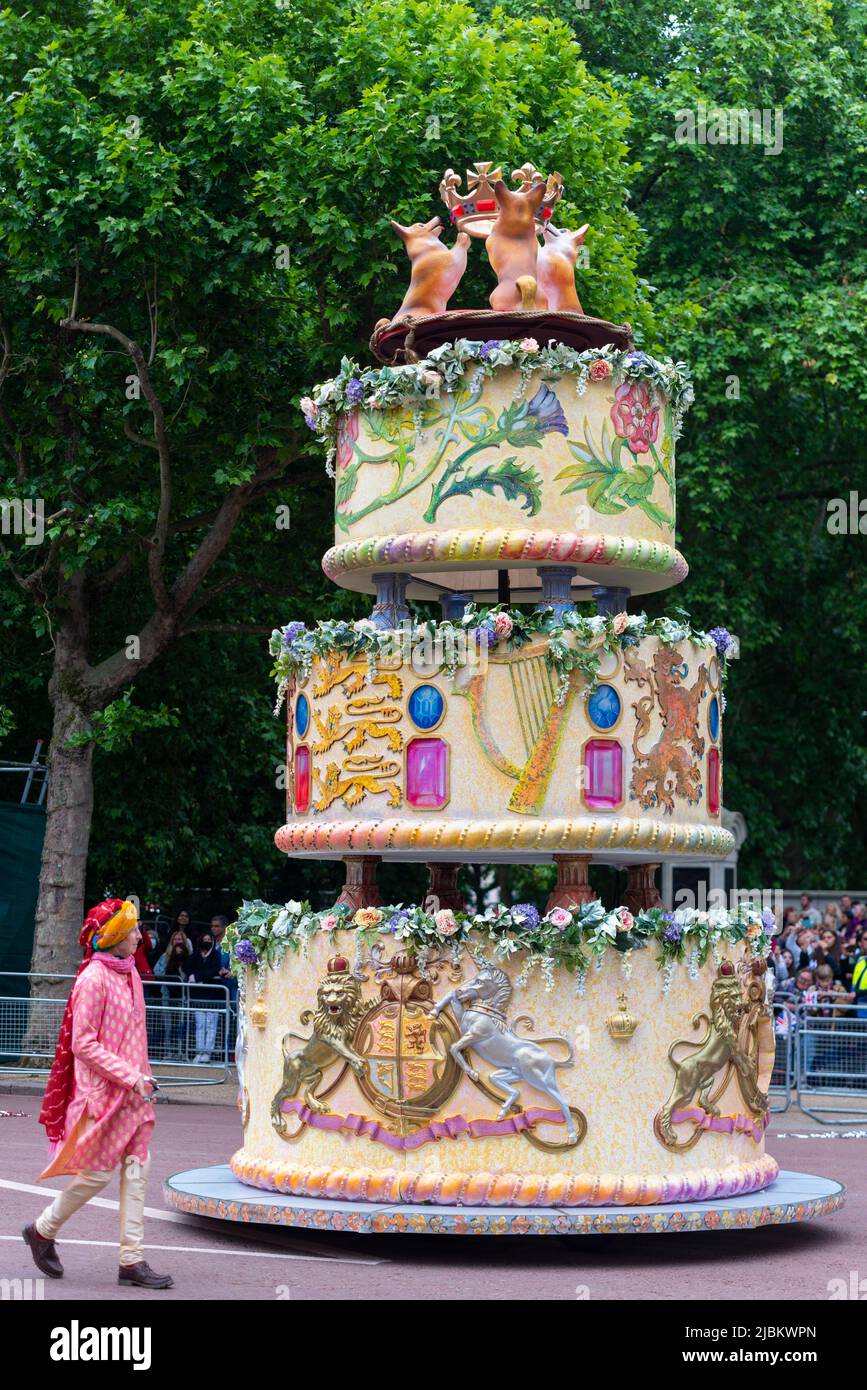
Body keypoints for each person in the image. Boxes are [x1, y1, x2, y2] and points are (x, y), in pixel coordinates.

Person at [23, 898, 173, 1289]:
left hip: (133, 1094)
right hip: (101, 1096)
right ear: (118, 938)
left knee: (138, 1171)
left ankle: (131, 1261)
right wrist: (130, 1076)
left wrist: (144, 1079)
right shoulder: (93, 978)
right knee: (97, 1175)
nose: (141, 936)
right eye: (134, 931)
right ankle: (41, 1230)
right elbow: (83, 1045)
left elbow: (134, 1038)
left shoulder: (131, 974)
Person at [187, 930, 224, 1063]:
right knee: (200, 1024)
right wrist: (196, 975)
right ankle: (199, 1051)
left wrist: (197, 977)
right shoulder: (195, 955)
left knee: (211, 1024)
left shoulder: (215, 954)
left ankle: (208, 1052)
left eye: (209, 940)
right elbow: (188, 969)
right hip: (198, 996)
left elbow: (215, 970)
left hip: (213, 996)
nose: (207, 942)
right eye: (205, 939)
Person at [153, 930, 191, 1059]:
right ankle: (168, 1051)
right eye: (175, 940)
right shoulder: (165, 956)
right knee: (168, 1025)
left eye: (180, 940)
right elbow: (156, 971)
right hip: (167, 994)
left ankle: (181, 1050)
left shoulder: (188, 956)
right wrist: (169, 976)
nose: (177, 942)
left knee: (181, 1024)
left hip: (183, 996)